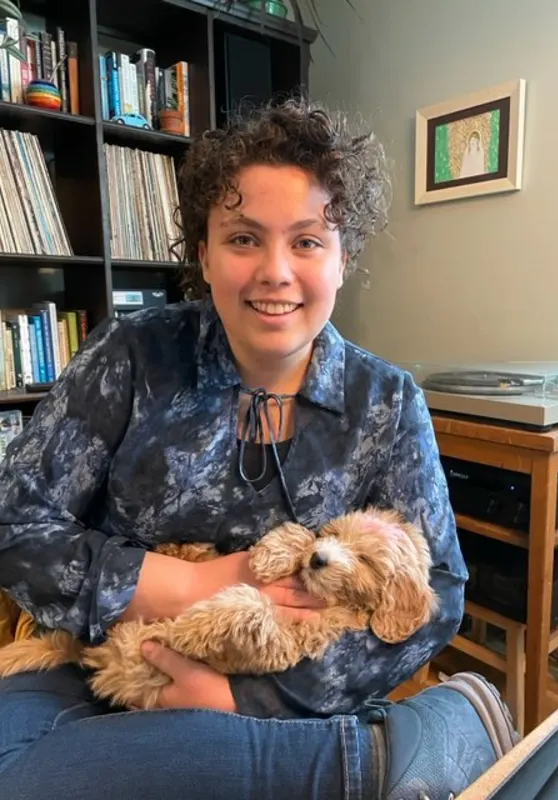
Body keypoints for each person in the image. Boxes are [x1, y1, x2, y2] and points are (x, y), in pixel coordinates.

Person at [0, 97, 516, 799]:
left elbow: (439, 596)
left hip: (291, 684)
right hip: (96, 658)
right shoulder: (133, 354)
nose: (275, 271)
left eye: (306, 241)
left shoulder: (387, 402)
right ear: (204, 254)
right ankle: (378, 763)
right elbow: (16, 523)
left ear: (341, 260)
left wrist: (236, 704)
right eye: (244, 239)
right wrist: (193, 584)